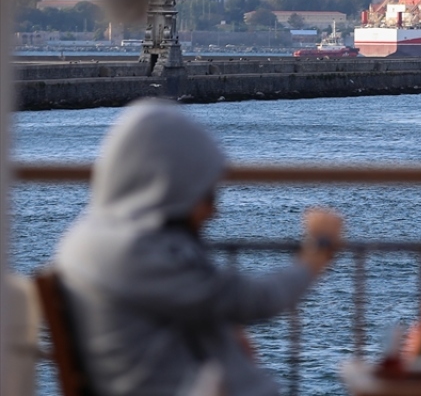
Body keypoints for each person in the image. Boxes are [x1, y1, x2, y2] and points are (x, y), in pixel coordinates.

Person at [53, 99, 344, 396]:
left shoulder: (95, 239)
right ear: (168, 185)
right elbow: (252, 300)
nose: (214, 211)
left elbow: (194, 301)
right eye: (206, 193)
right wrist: (318, 250)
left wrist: (220, 333)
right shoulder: (132, 250)